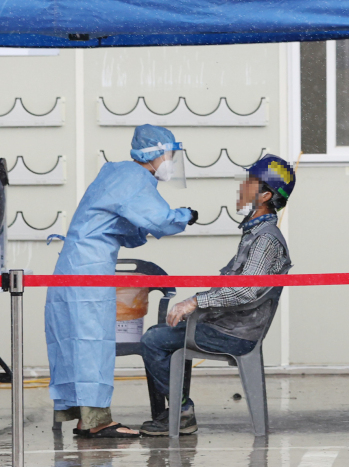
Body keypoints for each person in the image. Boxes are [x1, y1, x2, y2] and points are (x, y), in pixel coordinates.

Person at [46, 124, 195, 439]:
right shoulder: (134, 179)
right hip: (88, 272)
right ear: (154, 153)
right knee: (92, 343)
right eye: (169, 154)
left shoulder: (116, 175)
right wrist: (184, 215)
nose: (170, 160)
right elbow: (159, 219)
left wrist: (153, 226)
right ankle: (96, 422)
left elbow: (126, 229)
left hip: (72, 268)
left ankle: (84, 418)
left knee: (74, 343)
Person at [137, 155, 295, 436]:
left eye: (250, 182)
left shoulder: (266, 239)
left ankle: (182, 411)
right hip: (227, 325)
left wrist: (196, 302)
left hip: (234, 333)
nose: (242, 186)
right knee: (164, 334)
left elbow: (246, 291)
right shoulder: (254, 233)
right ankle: (176, 412)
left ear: (265, 195)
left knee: (153, 340)